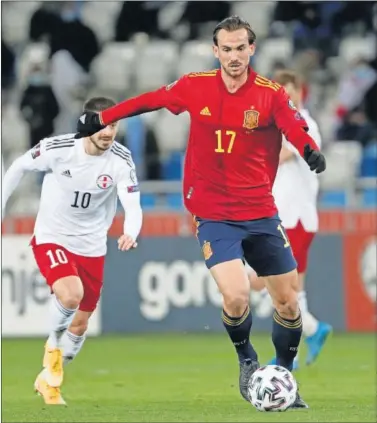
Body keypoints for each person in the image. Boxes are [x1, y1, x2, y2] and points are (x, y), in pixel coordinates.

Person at [75, 16, 327, 409]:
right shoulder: (195, 86)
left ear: (251, 49)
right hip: (213, 212)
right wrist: (105, 117)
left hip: (260, 211)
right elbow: (152, 99)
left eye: (240, 48)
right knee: (236, 295)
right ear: (216, 51)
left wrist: (309, 149)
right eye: (226, 49)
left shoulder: (270, 94)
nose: (233, 56)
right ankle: (247, 361)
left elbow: (293, 126)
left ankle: (284, 373)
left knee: (289, 302)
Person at [2, 97, 143, 405]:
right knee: (70, 294)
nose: (107, 132)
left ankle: (49, 380)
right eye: (101, 125)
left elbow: (132, 203)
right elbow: (18, 166)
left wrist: (131, 231)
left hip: (92, 246)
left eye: (113, 125)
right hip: (53, 237)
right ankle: (52, 344)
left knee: (79, 325)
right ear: (86, 123)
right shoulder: (59, 149)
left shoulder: (120, 159)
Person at [247, 69, 332, 370]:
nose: (285, 95)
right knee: (295, 290)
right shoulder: (280, 123)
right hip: (290, 215)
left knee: (262, 282)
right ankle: (295, 352)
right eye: (279, 91)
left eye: (289, 89)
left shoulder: (303, 123)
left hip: (293, 216)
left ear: (299, 91)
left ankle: (309, 331)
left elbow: (282, 154)